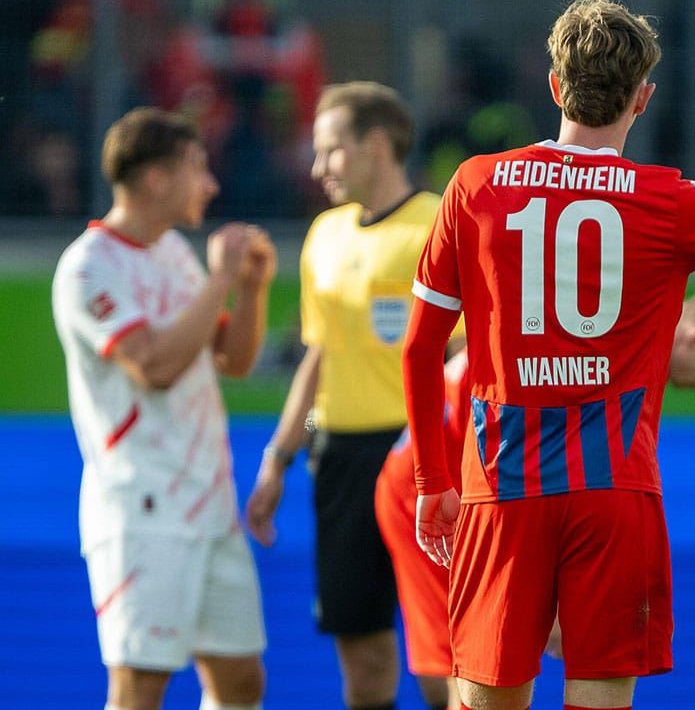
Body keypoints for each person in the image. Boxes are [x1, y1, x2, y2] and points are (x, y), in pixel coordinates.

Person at [400, 0, 695, 710]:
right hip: (613, 492)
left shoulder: (474, 186)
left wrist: (435, 482)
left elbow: (419, 349)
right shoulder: (669, 200)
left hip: (503, 490)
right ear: (643, 99)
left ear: (556, 86)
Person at [375, 274, 695, 710]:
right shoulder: (623, 343)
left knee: (475, 674)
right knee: (469, 673)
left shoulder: (626, 324)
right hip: (444, 495)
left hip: (483, 482)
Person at [50, 106, 276, 710]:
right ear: (156, 179)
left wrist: (250, 288)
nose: (211, 185)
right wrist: (219, 280)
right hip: (142, 511)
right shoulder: (87, 267)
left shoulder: (174, 251)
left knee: (241, 682)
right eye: (198, 169)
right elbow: (153, 367)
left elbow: (232, 359)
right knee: (140, 688)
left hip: (211, 503)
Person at [245, 80, 451, 710]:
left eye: (331, 150)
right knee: (363, 658)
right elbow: (319, 352)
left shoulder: (440, 222)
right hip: (339, 459)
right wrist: (277, 459)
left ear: (377, 144)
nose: (317, 167)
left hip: (424, 462)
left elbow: (469, 357)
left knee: (442, 659)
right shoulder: (325, 235)